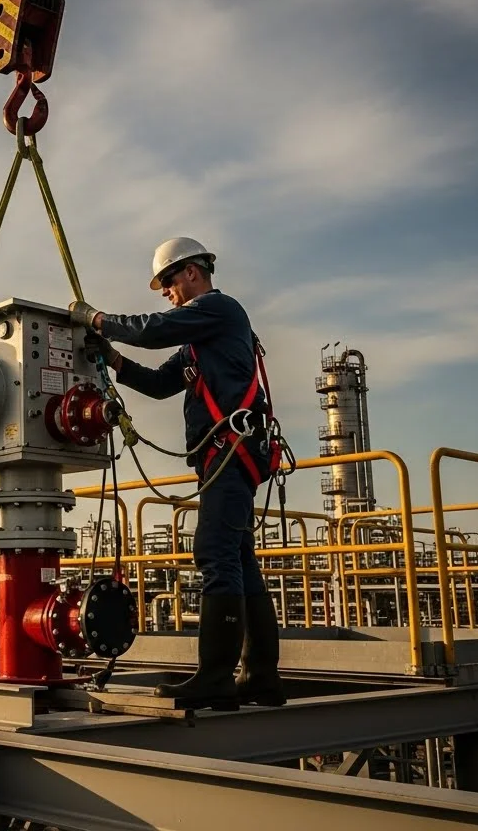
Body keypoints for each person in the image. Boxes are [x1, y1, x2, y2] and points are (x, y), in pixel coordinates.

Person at [70, 237, 285, 711]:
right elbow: (159, 382)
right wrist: (112, 358)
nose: (166, 291)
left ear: (192, 272)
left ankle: (215, 677)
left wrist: (98, 319)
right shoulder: (200, 341)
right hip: (226, 454)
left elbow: (152, 330)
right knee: (238, 559)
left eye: (168, 281)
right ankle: (260, 678)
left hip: (231, 452)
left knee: (215, 554)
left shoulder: (218, 309)